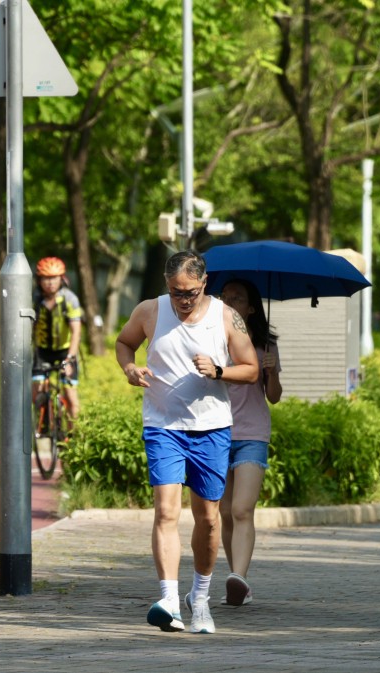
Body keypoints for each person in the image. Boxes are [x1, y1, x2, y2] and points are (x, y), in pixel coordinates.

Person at [115, 250, 258, 635]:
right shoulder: (150, 311)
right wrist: (130, 367)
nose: (183, 300)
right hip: (163, 426)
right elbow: (124, 343)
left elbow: (251, 369)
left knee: (209, 519)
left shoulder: (226, 317)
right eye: (177, 292)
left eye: (190, 292)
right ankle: (168, 598)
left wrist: (220, 370)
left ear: (204, 283)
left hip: (211, 429)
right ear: (167, 284)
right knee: (165, 511)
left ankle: (200, 599)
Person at [217, 279, 282, 607]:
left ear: (251, 307)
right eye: (224, 298)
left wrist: (271, 373)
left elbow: (274, 397)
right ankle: (236, 579)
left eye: (236, 299)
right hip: (215, 433)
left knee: (242, 508)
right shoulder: (212, 338)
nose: (228, 303)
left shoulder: (266, 345)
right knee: (225, 512)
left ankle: (239, 577)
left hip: (252, 434)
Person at [32, 256, 83, 420]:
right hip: (42, 351)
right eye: (45, 278)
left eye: (54, 278)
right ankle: (46, 422)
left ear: (62, 278)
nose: (50, 282)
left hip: (65, 351)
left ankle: (72, 437)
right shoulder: (35, 300)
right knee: (37, 392)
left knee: (70, 396)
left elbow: (76, 331)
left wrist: (70, 358)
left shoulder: (70, 299)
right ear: (39, 280)